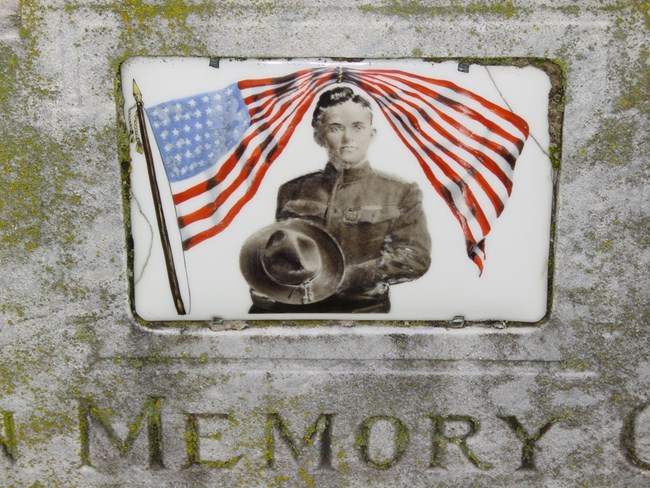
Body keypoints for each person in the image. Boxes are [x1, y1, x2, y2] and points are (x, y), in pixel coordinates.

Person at [247, 86, 431, 313]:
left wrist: (342, 277)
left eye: (357, 127)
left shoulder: (400, 192)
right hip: (295, 309)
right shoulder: (292, 190)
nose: (347, 138)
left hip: (362, 311)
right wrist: (266, 285)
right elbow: (281, 254)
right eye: (336, 128)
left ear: (371, 135)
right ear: (318, 135)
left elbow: (414, 259)